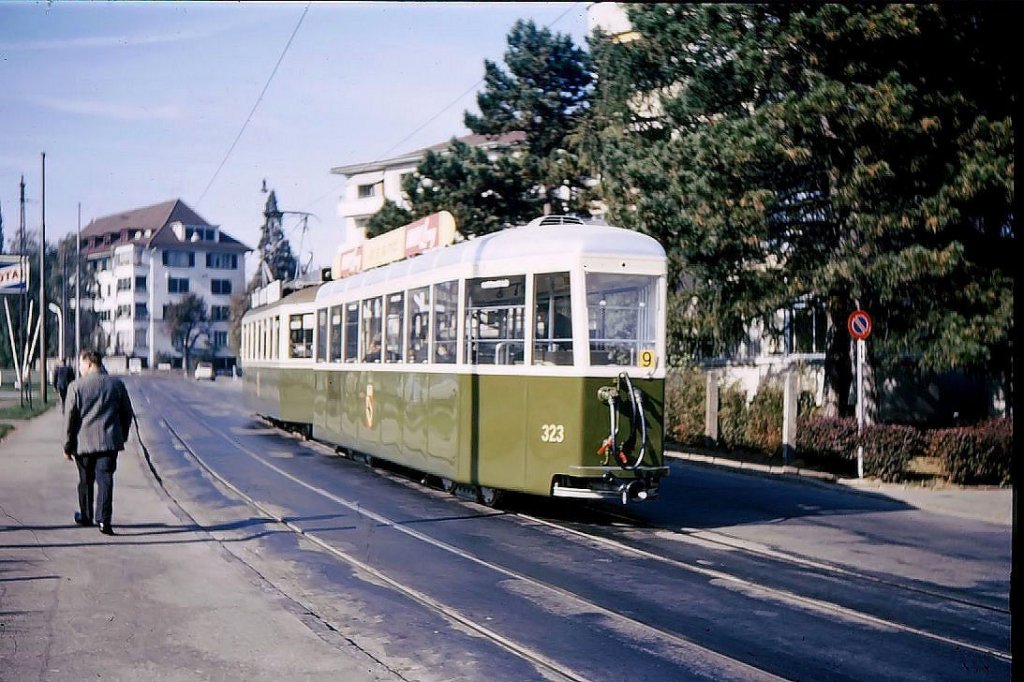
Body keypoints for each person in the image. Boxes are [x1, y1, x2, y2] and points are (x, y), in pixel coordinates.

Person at [63, 349, 134, 536]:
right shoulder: (116, 385)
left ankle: (86, 515)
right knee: (105, 479)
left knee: (85, 480)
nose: (79, 368)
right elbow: (127, 413)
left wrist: (67, 446)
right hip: (109, 442)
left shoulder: (76, 387)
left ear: (88, 363)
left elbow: (70, 418)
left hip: (83, 442)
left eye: (80, 364)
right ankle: (104, 520)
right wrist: (121, 435)